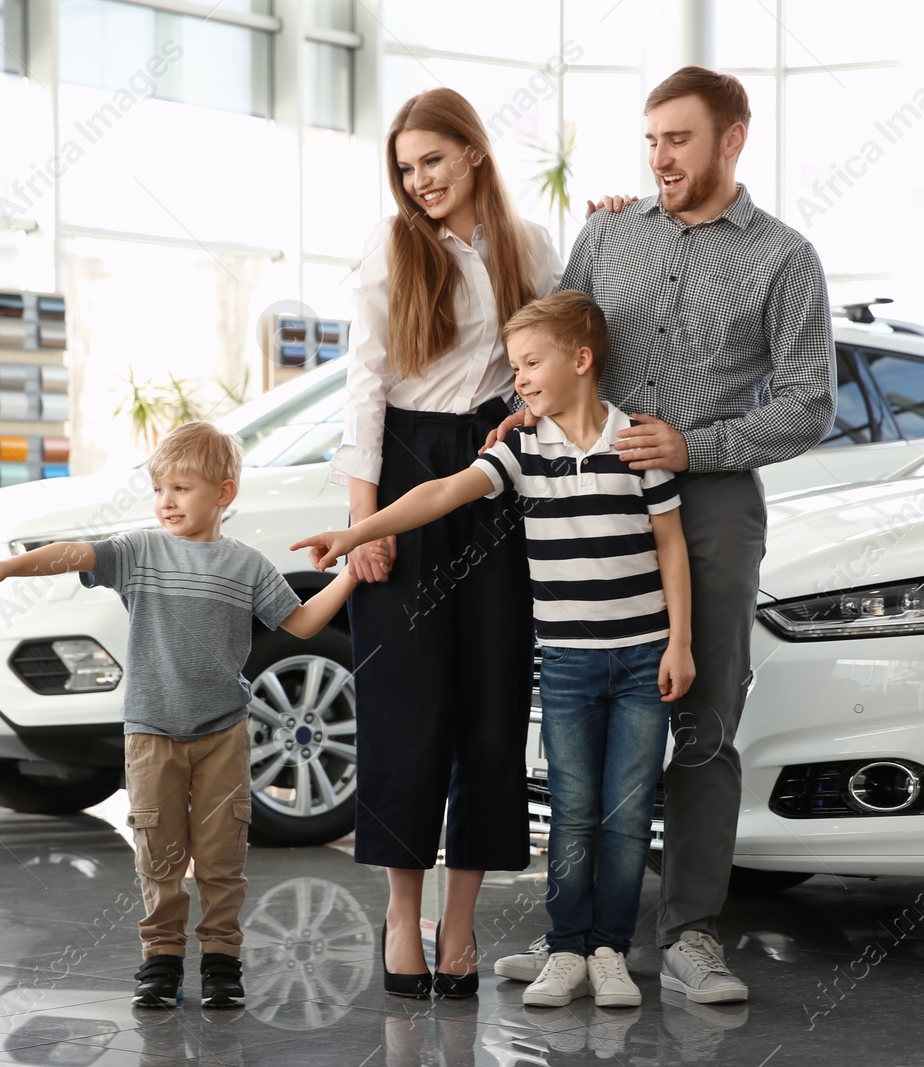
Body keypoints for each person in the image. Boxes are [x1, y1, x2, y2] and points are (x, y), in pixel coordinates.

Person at [487, 66, 836, 1004]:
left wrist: (696, 444)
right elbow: (555, 344)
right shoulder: (607, 231)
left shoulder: (784, 257)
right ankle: (583, 935)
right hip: (587, 498)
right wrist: (522, 414)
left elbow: (811, 404)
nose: (660, 157)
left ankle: (688, 933)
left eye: (678, 139)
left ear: (733, 139)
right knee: (581, 716)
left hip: (711, 502)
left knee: (703, 723)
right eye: (651, 140)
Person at [296, 289, 694, 1010]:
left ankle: (608, 950)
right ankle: (568, 945)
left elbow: (672, 545)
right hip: (569, 662)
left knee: (628, 811)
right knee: (573, 808)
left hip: (642, 657)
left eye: (531, 363)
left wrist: (681, 643)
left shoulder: (638, 441)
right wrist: (356, 530)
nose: (519, 380)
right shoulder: (521, 449)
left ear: (581, 358)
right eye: (513, 367)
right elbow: (444, 491)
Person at [0, 421, 360, 1009]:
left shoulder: (246, 566)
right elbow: (75, 554)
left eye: (182, 489)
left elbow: (298, 625)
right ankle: (161, 960)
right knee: (159, 853)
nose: (166, 502)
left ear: (223, 493)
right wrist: (10, 569)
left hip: (224, 732)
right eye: (159, 489)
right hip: (150, 732)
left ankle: (222, 961)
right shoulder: (140, 552)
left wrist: (348, 574)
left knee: (223, 857)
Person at [329, 86, 563, 998]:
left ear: (472, 152)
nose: (418, 180)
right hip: (404, 463)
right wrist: (362, 525)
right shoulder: (393, 247)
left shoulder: (531, 244)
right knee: (404, 704)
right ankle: (400, 917)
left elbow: (562, 343)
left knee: (493, 703)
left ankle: (458, 922)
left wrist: (528, 420)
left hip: (499, 466)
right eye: (404, 167)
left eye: (431, 159)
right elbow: (364, 382)